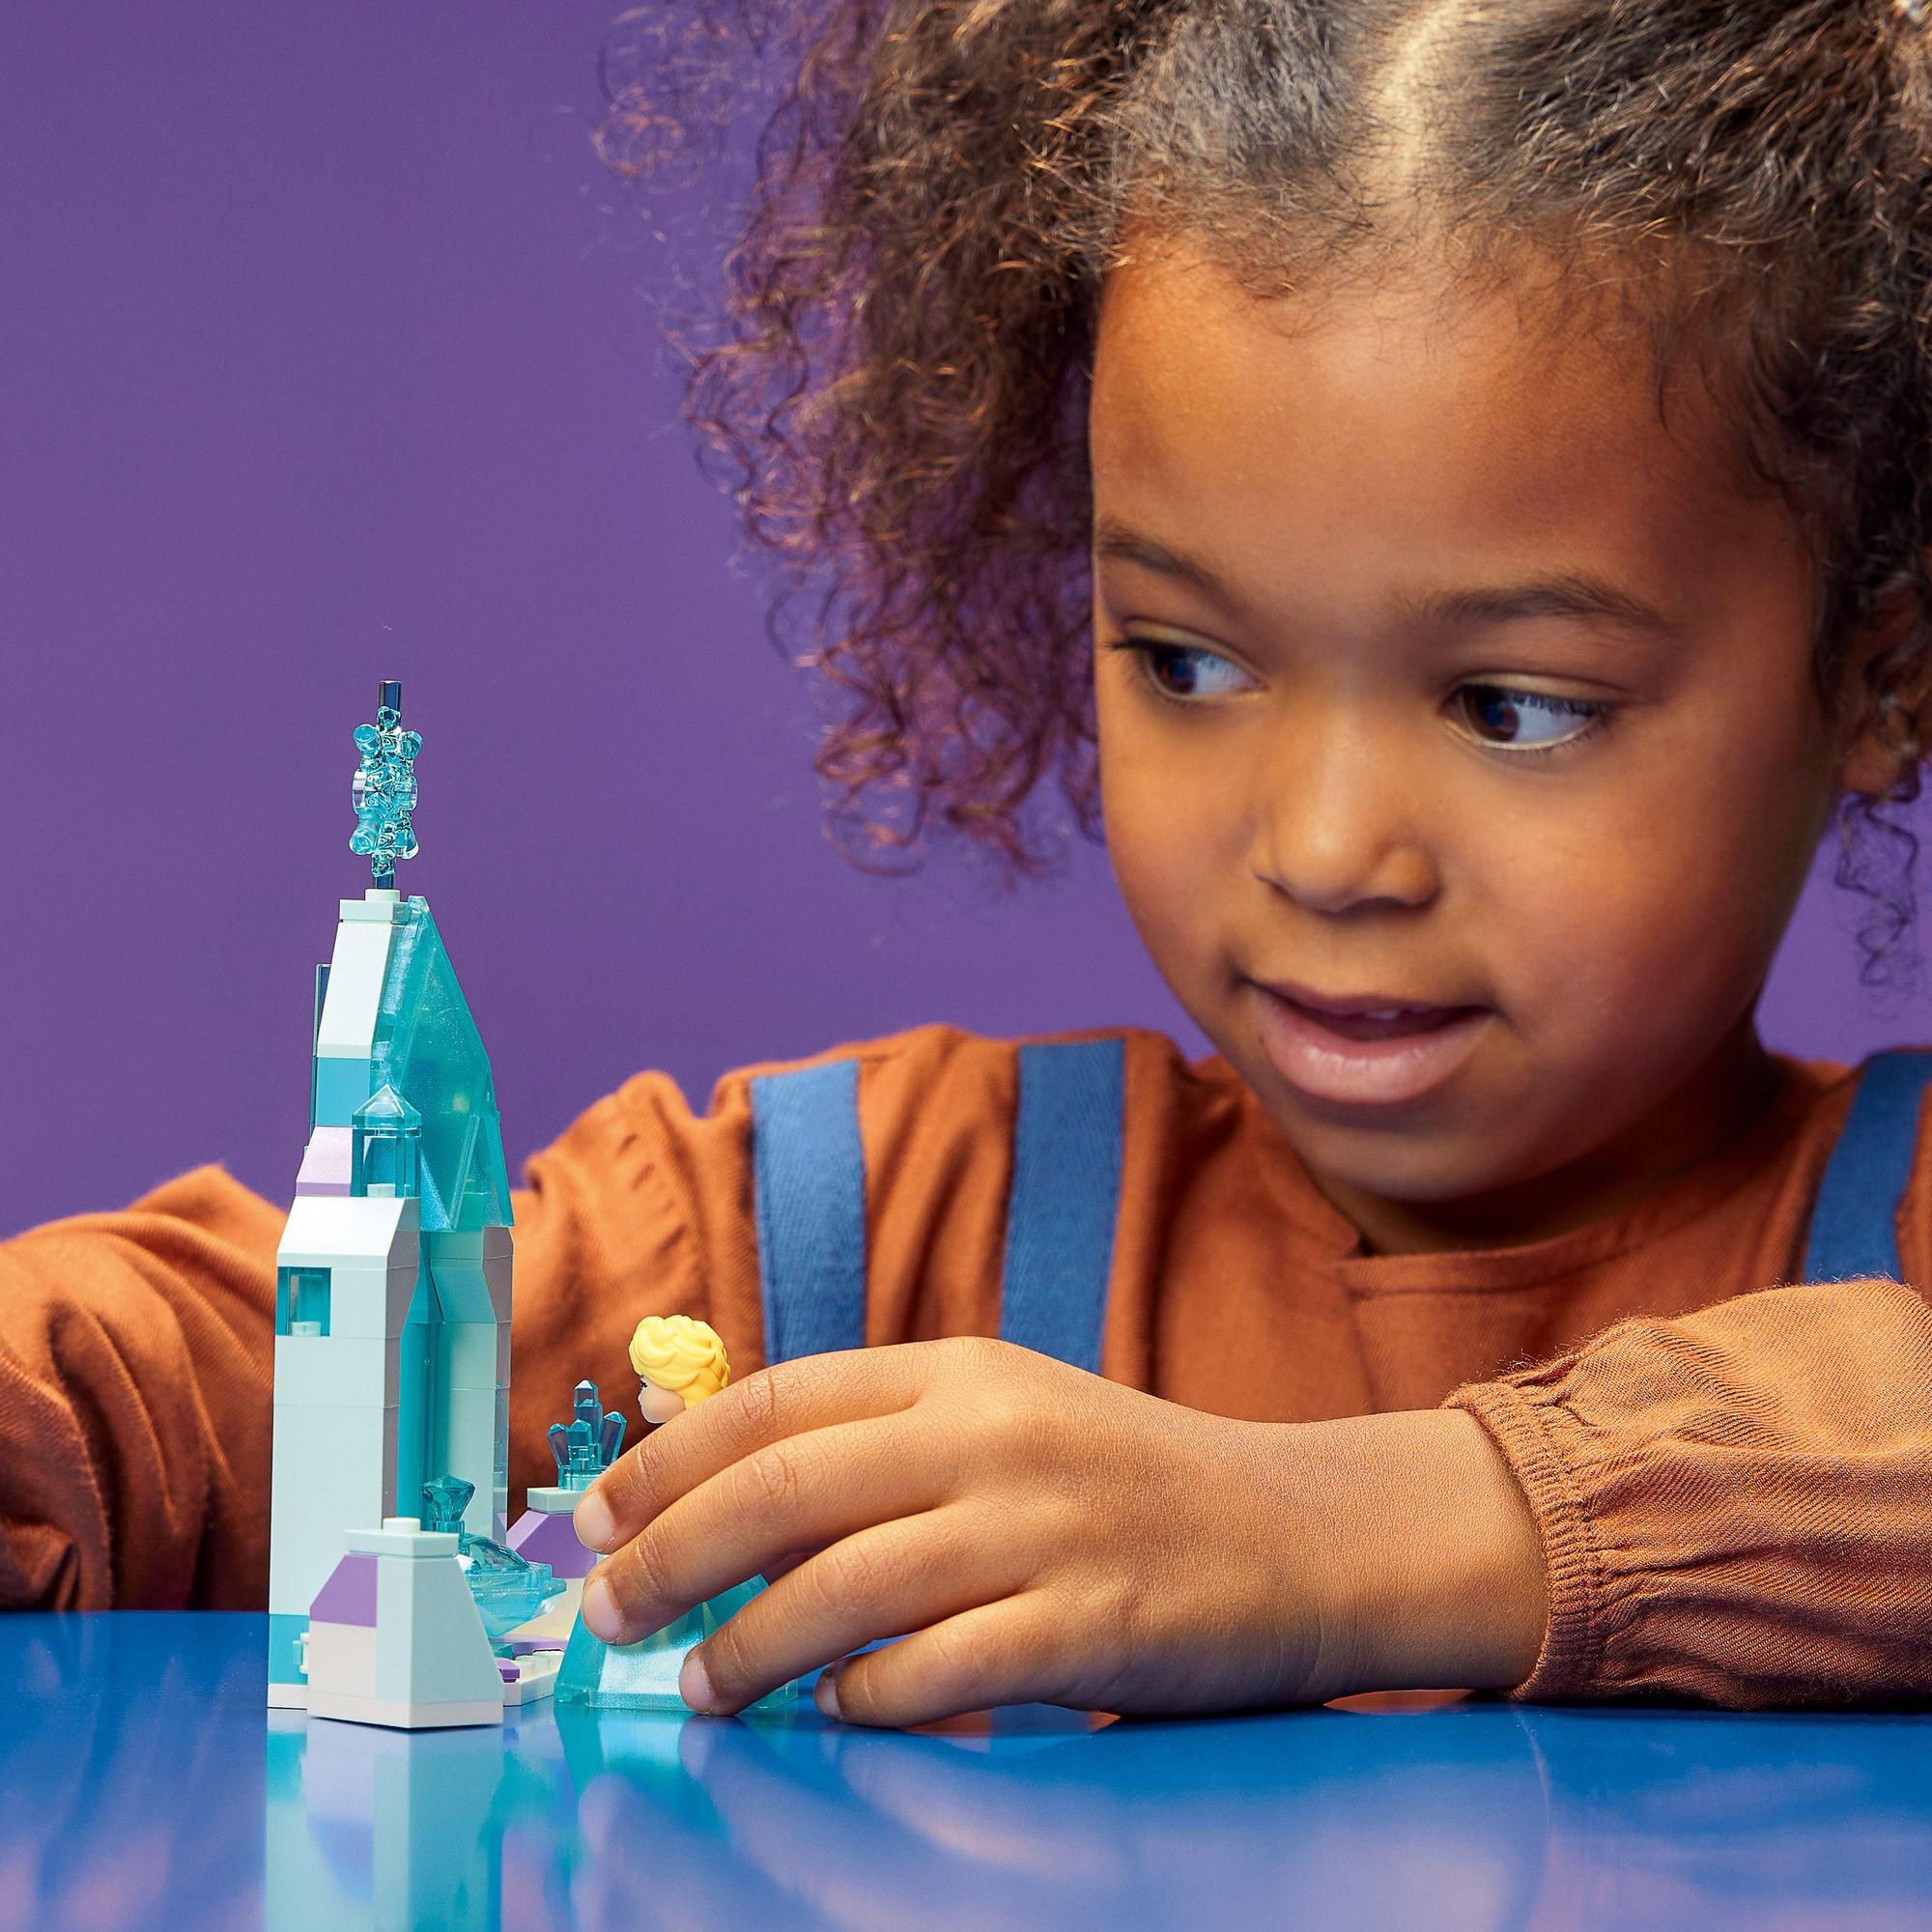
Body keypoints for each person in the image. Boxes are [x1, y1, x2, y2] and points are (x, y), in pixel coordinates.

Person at [7, 0, 1932, 1728]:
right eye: (1187, 661)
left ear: (1880, 673)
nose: (1329, 848)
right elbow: (186, 1383)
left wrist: (1326, 1530)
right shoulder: (846, 1242)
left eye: (1513, 704)